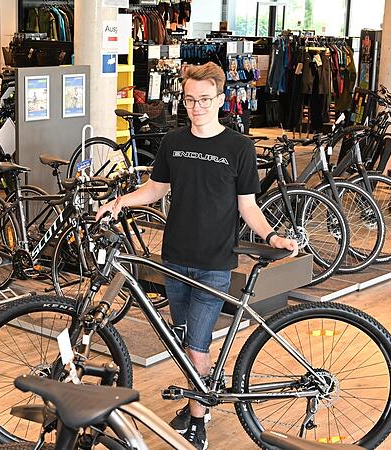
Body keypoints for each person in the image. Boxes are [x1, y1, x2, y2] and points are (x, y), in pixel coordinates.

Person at [96, 62, 297, 450]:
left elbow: (248, 207)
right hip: (175, 258)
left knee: (196, 346)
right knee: (185, 342)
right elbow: (155, 189)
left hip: (213, 262)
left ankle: (197, 420)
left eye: (205, 99)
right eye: (190, 99)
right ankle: (195, 401)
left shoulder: (238, 147)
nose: (196, 106)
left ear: (221, 100)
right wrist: (119, 201)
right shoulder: (173, 142)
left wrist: (272, 236)